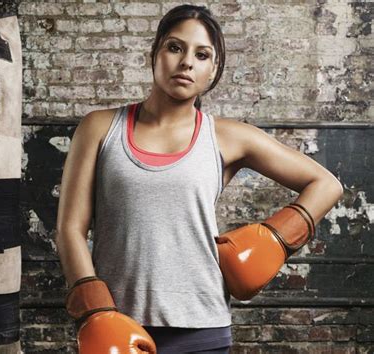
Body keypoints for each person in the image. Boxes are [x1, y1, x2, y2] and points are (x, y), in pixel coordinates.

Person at [55, 4, 344, 354]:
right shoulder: (100, 127)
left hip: (202, 326)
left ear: (213, 69)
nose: (186, 61)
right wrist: (95, 310)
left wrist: (276, 238)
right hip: (115, 323)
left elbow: (326, 184)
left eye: (202, 54)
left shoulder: (227, 137)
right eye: (175, 47)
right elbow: (70, 228)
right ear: (156, 53)